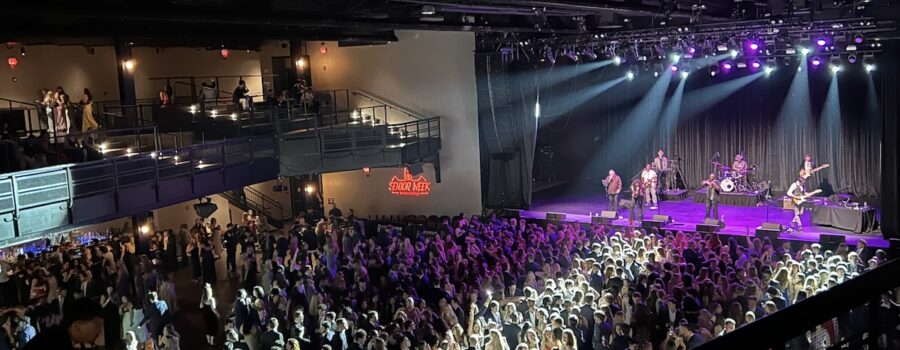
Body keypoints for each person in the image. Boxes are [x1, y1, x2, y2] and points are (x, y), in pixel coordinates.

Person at [23, 298, 104, 349]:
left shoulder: (60, 336)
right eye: (98, 325)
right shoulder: (53, 343)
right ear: (78, 326)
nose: (100, 331)